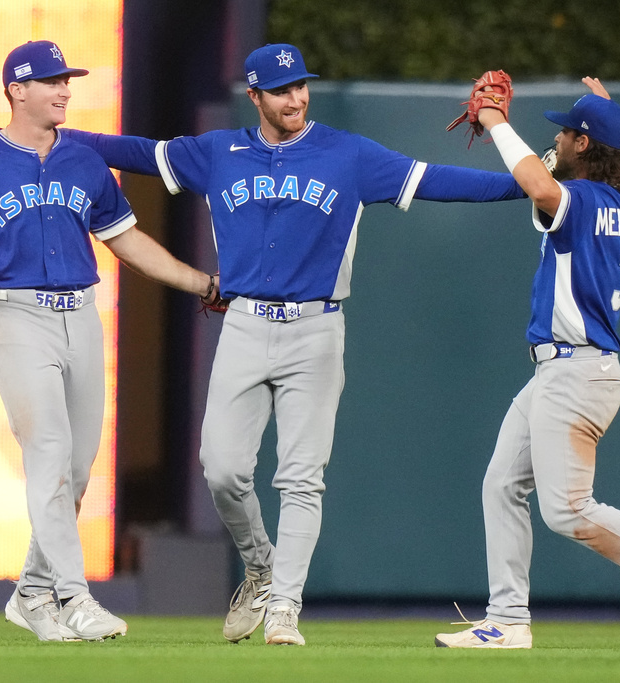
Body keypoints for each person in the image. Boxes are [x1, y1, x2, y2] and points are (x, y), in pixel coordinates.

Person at [65, 43, 526, 645]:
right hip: (246, 323)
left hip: (317, 327)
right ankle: (260, 565)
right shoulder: (218, 152)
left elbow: (438, 180)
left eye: (301, 86)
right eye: (281, 90)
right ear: (254, 96)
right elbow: (139, 155)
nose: (296, 97)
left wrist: (531, 185)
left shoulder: (348, 153)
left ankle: (285, 606)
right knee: (223, 469)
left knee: (301, 477)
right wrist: (60, 134)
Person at [0, 40, 221, 642]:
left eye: (67, 80)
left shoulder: (85, 162)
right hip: (15, 319)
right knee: (48, 456)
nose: (64, 90)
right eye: (51, 81)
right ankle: (75, 598)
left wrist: (200, 282)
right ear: (16, 90)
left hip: (81, 316)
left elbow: (127, 242)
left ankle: (31, 594)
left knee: (75, 466)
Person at [434, 75, 620, 651]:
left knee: (566, 511)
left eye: (567, 131)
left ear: (584, 145)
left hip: (577, 372)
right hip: (564, 371)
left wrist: (494, 121)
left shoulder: (584, 199)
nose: (559, 139)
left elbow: (540, 187)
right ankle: (509, 620)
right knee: (501, 485)